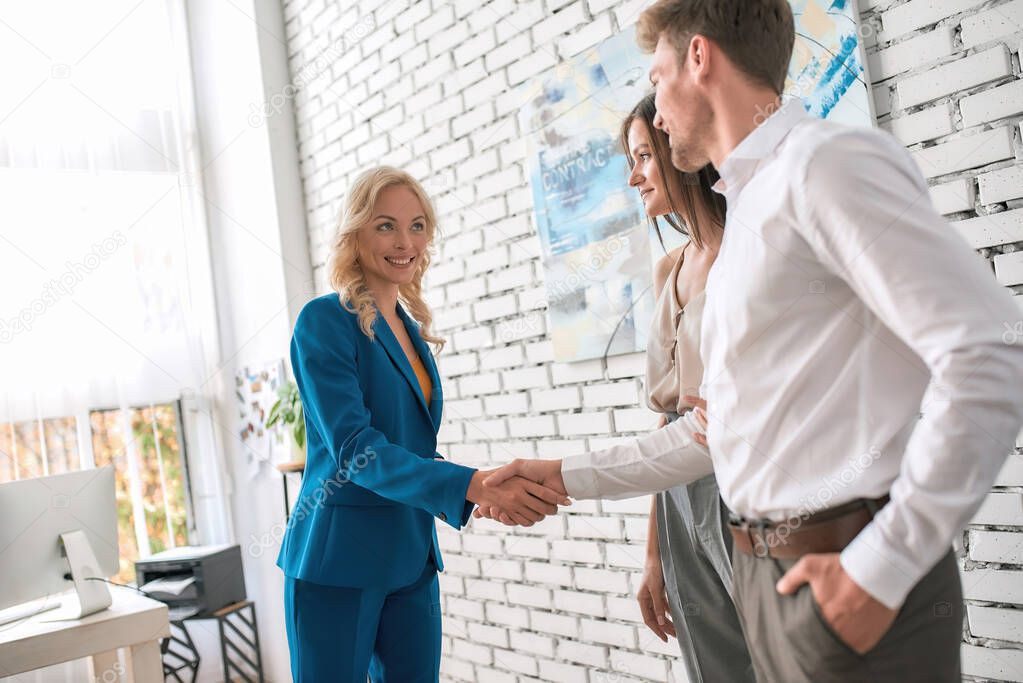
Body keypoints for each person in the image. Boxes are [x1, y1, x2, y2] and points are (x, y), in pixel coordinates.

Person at [479, 1, 1023, 680]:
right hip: (763, 576)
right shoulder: (747, 211)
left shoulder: (822, 165)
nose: (656, 111)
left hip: (844, 570)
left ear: (699, 58)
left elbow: (986, 350)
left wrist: (884, 567)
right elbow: (711, 430)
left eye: (657, 75)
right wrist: (561, 474)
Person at [277, 166, 569, 682]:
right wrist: (471, 485)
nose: (405, 241)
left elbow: (409, 445)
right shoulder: (323, 320)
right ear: (356, 232)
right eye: (386, 225)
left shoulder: (409, 329)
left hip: (411, 557)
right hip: (337, 560)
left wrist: (480, 491)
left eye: (417, 226)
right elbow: (356, 450)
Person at [623, 93, 753, 681]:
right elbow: (665, 417)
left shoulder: (747, 252)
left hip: (738, 471)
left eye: (645, 156)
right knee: (713, 668)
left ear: (680, 149)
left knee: (776, 656)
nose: (635, 176)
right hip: (676, 486)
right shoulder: (667, 267)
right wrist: (654, 552)